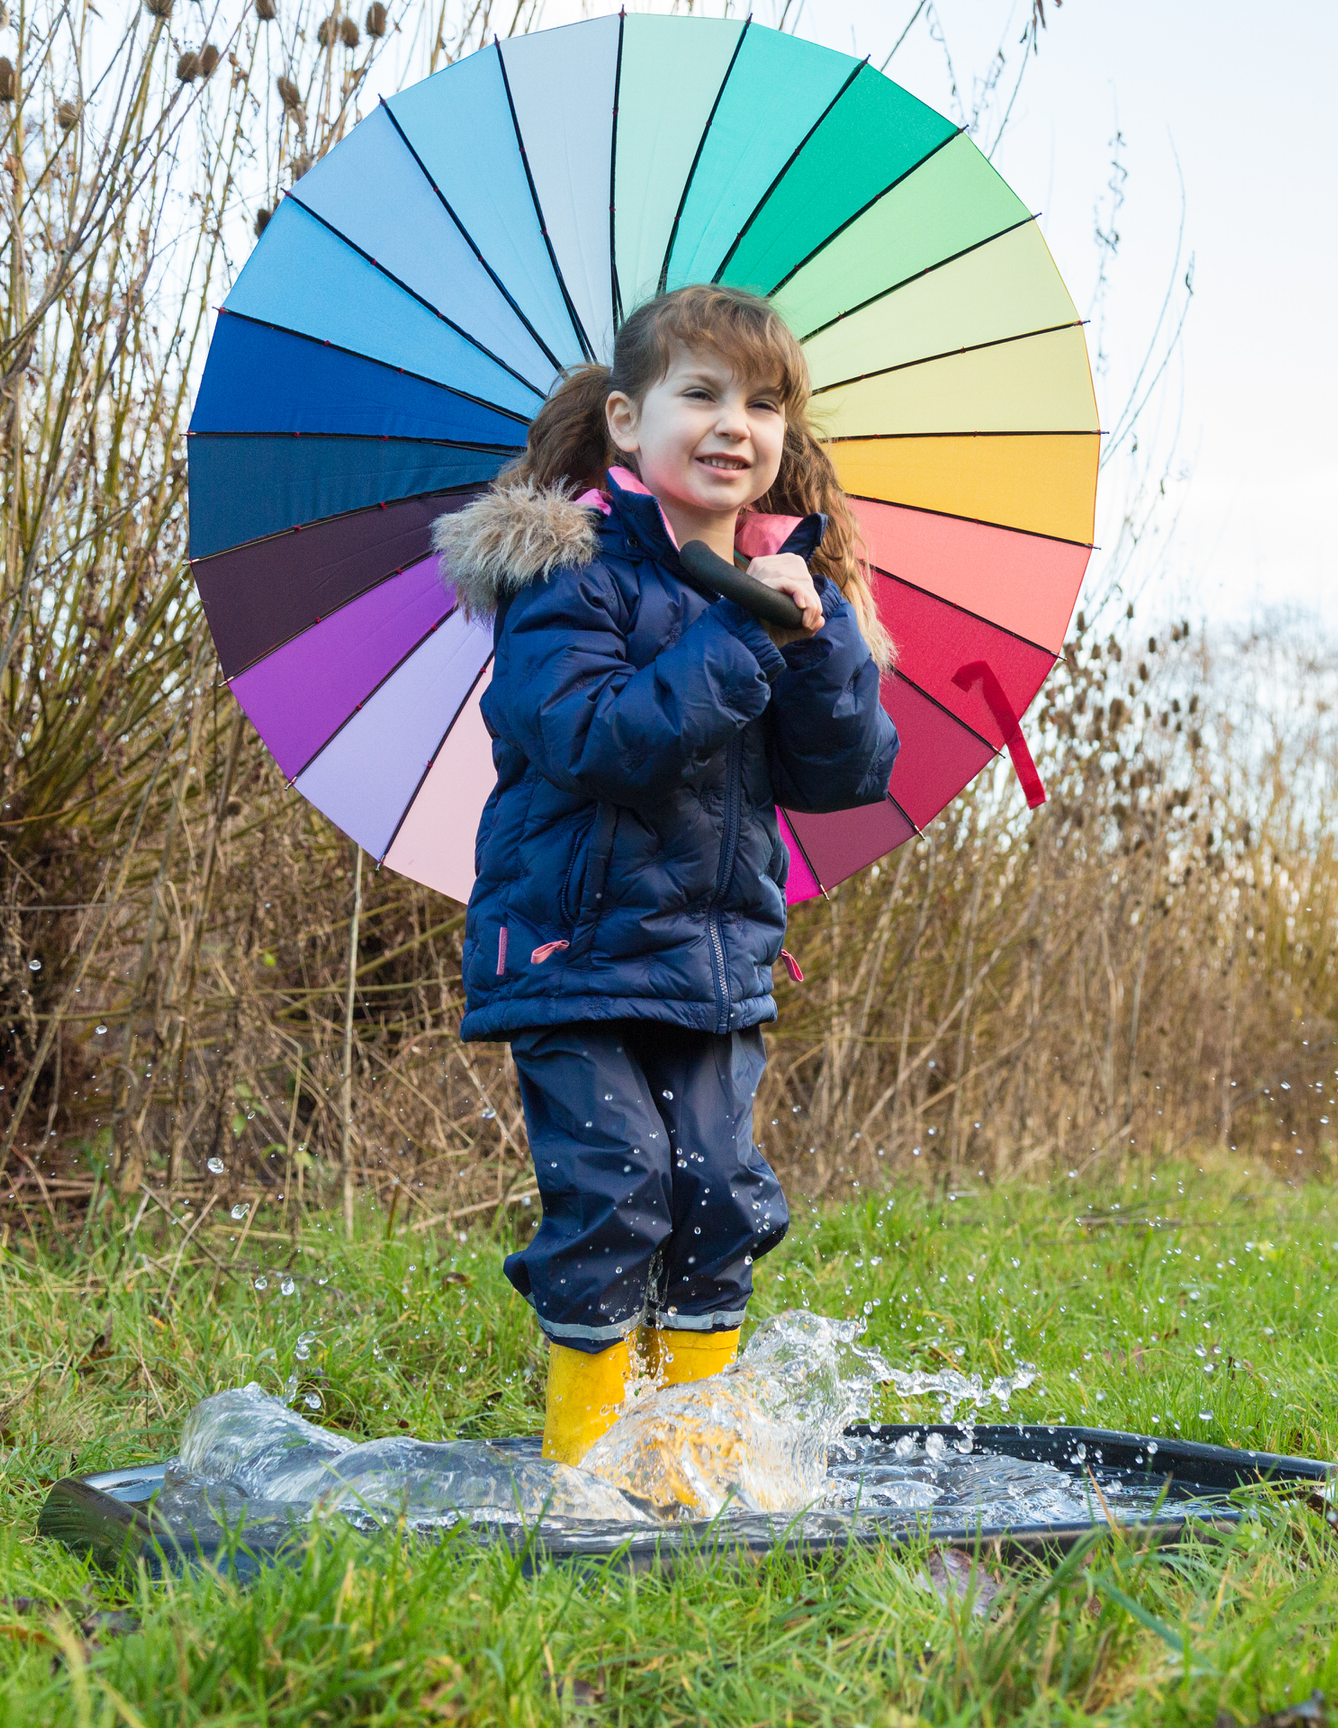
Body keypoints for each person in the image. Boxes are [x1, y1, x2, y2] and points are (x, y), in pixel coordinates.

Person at [432, 284, 899, 1466]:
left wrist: (821, 636)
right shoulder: (568, 580)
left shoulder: (788, 589)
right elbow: (595, 741)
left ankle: (687, 1461)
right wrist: (741, 636)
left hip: (715, 955)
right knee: (619, 1184)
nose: (736, 422)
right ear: (629, 424)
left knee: (718, 1197)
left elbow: (841, 774)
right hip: (571, 951)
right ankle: (587, 1462)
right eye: (702, 394)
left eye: (765, 402)